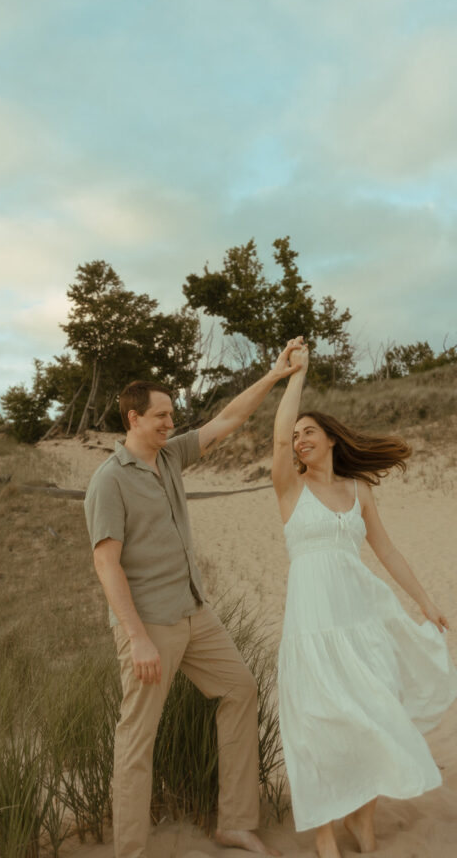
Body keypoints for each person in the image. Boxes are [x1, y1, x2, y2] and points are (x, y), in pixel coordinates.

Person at [84, 342, 303, 858]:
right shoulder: (109, 481)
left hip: (195, 613)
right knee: (137, 740)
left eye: (172, 416)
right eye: (160, 416)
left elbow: (227, 418)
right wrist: (137, 638)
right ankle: (131, 851)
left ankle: (235, 823)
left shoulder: (171, 455)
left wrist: (273, 375)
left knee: (240, 689)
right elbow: (105, 564)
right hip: (149, 626)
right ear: (133, 417)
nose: (169, 423)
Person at [272, 340, 457, 858]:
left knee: (377, 711)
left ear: (331, 438)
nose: (299, 439)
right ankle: (327, 834)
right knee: (318, 725)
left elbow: (387, 550)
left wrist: (425, 602)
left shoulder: (359, 490)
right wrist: (294, 378)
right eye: (295, 436)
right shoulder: (289, 488)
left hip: (362, 619)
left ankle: (363, 817)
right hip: (313, 627)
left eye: (309, 431)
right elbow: (277, 435)